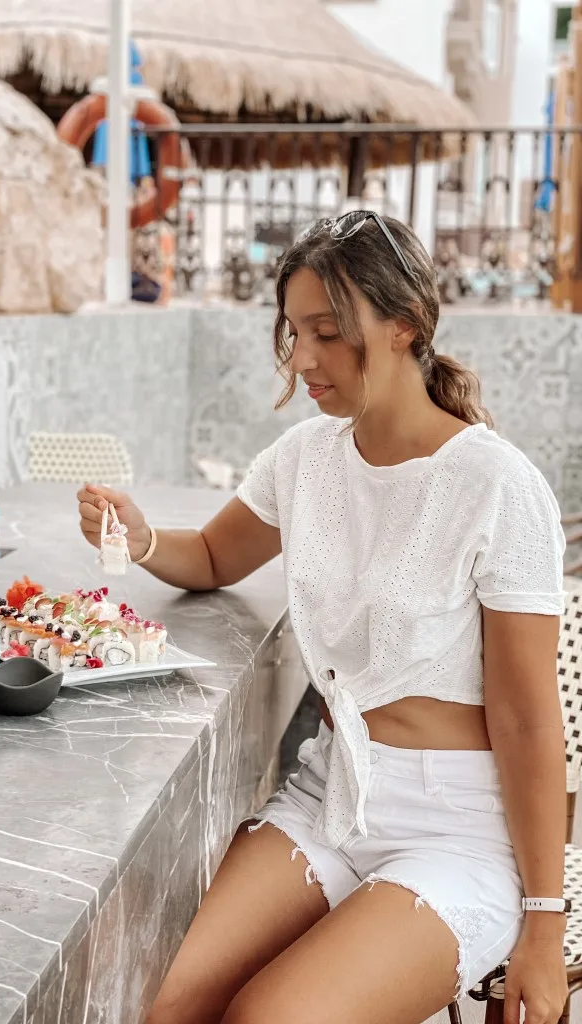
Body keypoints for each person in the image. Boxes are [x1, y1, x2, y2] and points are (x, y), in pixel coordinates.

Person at [76, 214, 568, 1024]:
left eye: (328, 333)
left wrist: (543, 929)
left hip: (460, 832)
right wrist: (138, 536)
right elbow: (209, 556)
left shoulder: (495, 486)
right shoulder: (306, 459)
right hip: (330, 796)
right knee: (152, 997)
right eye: (295, 331)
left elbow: (526, 719)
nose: (303, 359)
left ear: (404, 323)